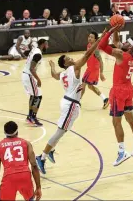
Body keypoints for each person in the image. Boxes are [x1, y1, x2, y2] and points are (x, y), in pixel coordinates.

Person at [36, 30, 106, 174]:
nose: (71, 58)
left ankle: (50, 150)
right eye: (68, 58)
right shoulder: (74, 69)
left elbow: (55, 76)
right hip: (71, 104)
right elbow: (87, 55)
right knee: (60, 131)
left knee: (63, 131)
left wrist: (52, 66)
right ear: (66, 63)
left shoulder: (63, 73)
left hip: (70, 103)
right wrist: (98, 41)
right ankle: (41, 157)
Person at [98, 25, 133, 166]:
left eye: (126, 43)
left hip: (118, 91)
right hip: (128, 89)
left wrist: (110, 31)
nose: (122, 43)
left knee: (116, 122)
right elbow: (118, 43)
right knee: (130, 119)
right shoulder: (132, 55)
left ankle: (122, 151)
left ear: (129, 47)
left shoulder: (120, 54)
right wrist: (116, 29)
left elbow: (102, 45)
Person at [0, 121, 42, 201]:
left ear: (4, 132)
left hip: (9, 177)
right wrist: (38, 187)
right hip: (25, 175)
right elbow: (34, 165)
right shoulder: (26, 143)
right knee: (30, 199)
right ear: (17, 131)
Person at [22, 39, 49, 126]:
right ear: (43, 44)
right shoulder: (38, 54)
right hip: (29, 75)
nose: (48, 46)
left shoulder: (35, 50)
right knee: (38, 96)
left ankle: (30, 116)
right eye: (47, 44)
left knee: (34, 95)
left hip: (26, 74)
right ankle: (33, 117)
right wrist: (38, 79)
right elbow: (31, 68)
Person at [81, 32, 109, 109]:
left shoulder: (95, 48)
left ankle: (77, 102)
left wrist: (101, 73)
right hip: (90, 68)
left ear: (95, 39)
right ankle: (105, 99)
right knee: (90, 86)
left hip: (92, 70)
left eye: (92, 37)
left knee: (83, 84)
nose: (89, 38)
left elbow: (101, 61)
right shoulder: (89, 45)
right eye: (89, 36)